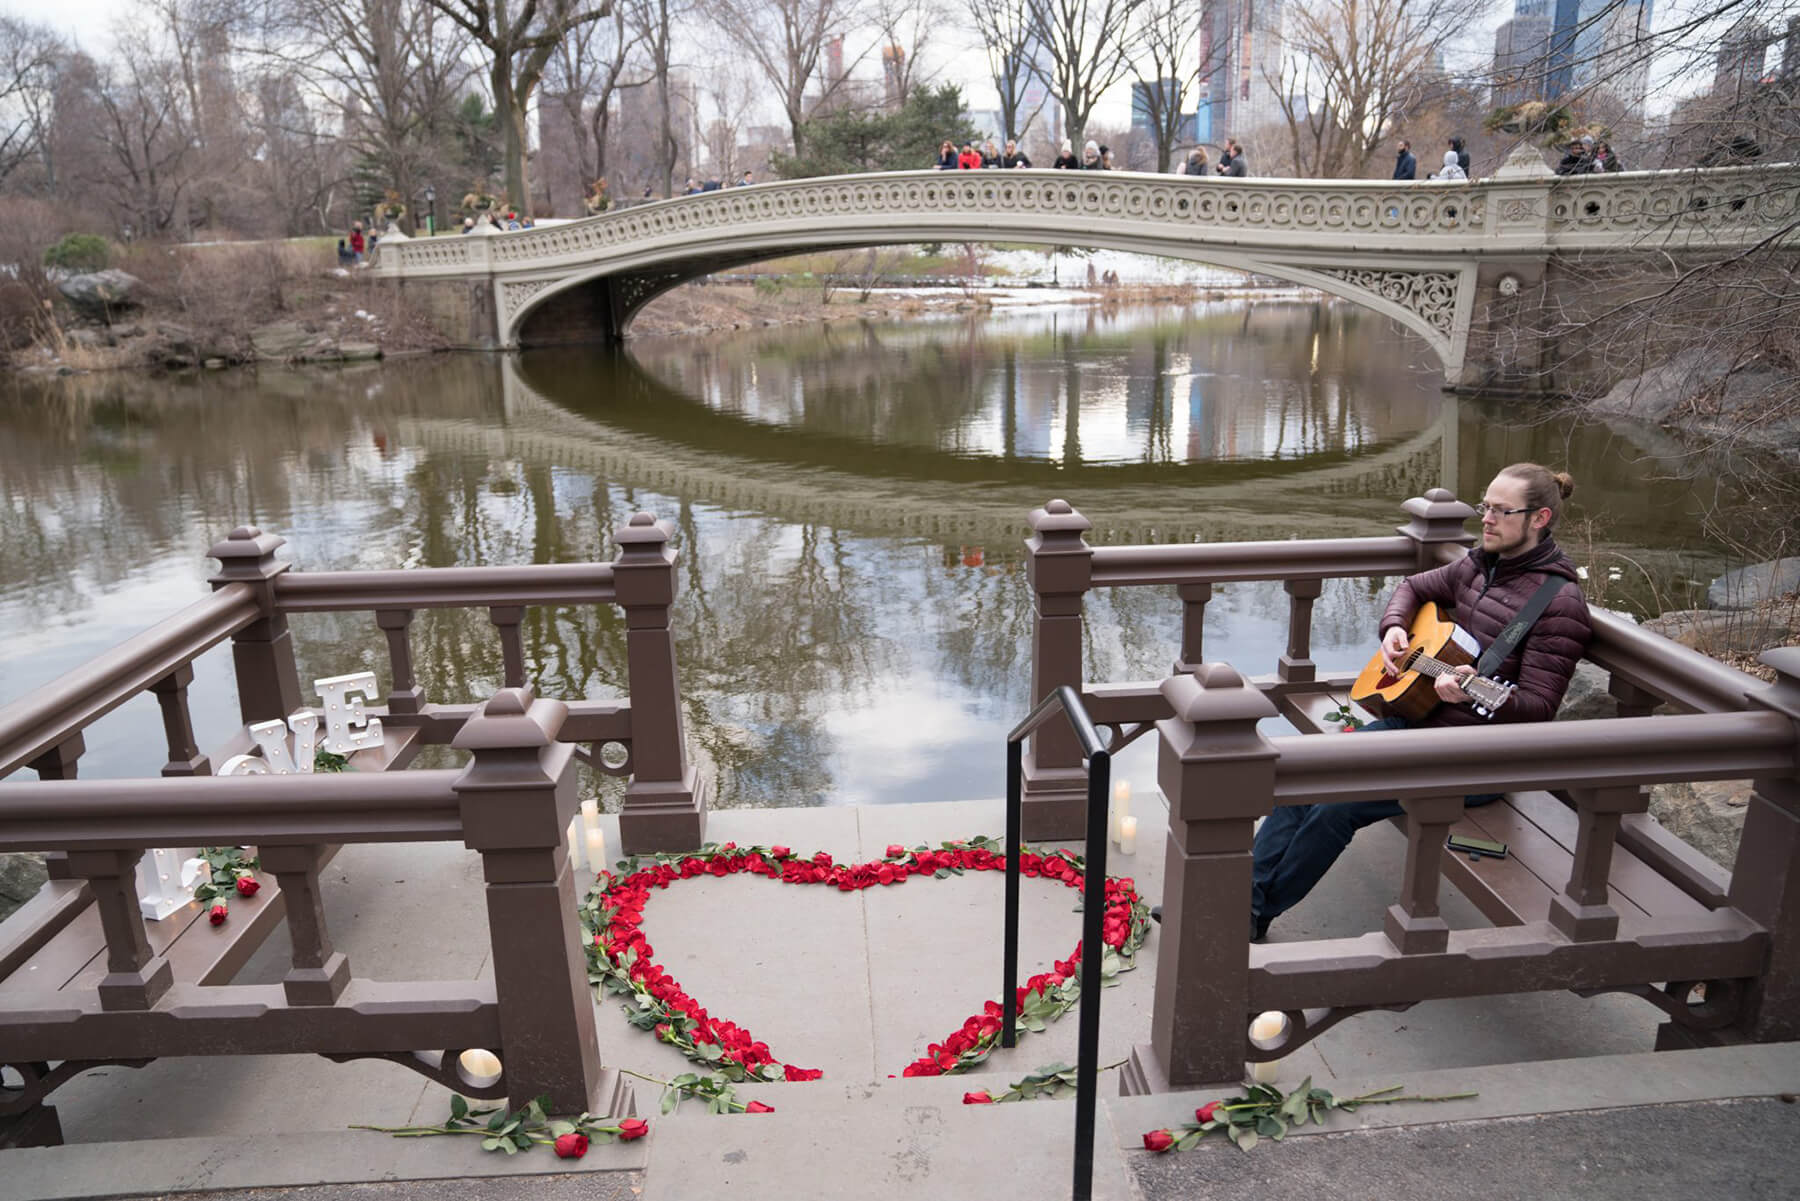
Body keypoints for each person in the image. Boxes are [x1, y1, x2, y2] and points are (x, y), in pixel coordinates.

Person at [1241, 464, 1592, 941]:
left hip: (1476, 759)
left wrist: (1475, 690)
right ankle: (1239, 900)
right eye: (1484, 506)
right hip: (1418, 720)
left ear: (1539, 517)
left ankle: (1252, 917)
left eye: (1500, 511)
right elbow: (1413, 588)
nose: (1486, 519)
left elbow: (1538, 708)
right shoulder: (1478, 563)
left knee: (1334, 809)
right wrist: (1394, 630)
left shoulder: (1559, 603)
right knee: (1307, 778)